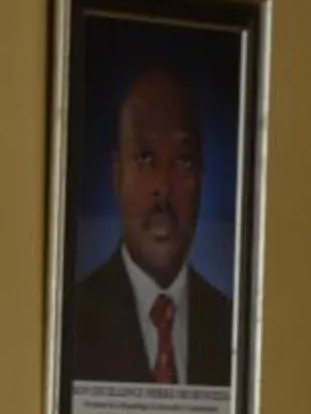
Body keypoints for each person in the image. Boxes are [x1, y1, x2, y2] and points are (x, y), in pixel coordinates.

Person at [62, 65, 234, 390]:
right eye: (145, 158)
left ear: (202, 177)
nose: (163, 187)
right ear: (116, 176)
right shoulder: (70, 322)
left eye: (183, 161)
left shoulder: (234, 328)